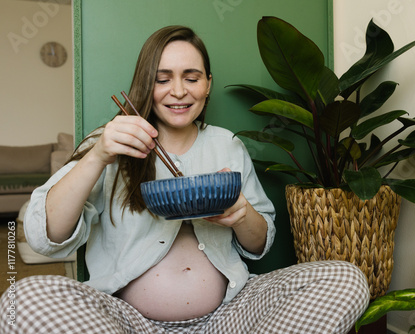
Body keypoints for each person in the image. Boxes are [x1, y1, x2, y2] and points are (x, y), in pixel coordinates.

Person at [0, 26, 370, 333]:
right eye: (163, 79)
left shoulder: (228, 145)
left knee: (346, 278)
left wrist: (241, 215)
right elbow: (43, 237)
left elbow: (259, 245)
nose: (178, 91)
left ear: (208, 85)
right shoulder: (111, 142)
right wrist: (98, 155)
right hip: (129, 322)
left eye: (191, 78)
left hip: (230, 315)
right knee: (19, 302)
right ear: (146, 85)